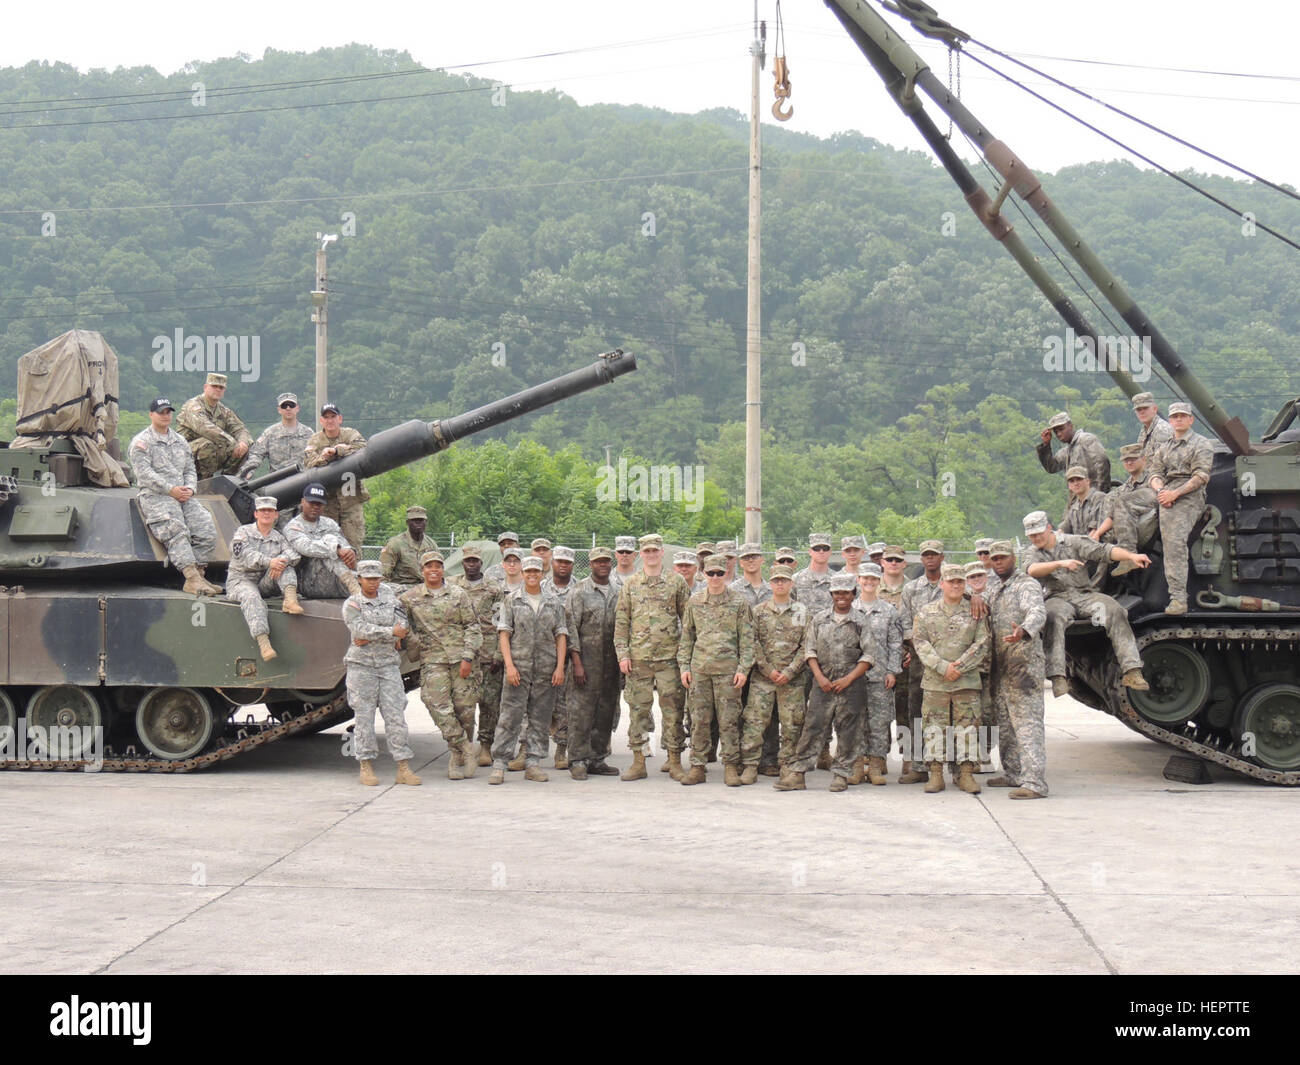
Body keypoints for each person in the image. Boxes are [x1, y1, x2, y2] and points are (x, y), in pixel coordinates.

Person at [1021, 510, 1152, 697]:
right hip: (1057, 597)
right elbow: (1032, 570)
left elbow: (1104, 551)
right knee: (1053, 616)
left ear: (1049, 529)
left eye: (1038, 533)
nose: (1035, 538)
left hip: (1085, 594)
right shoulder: (1032, 553)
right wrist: (1060, 563)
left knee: (1114, 610)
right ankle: (1057, 675)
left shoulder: (1072, 542)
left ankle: (1132, 669)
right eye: (1031, 535)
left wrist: (1131, 557)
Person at [777, 575, 872, 793]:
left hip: (852, 683)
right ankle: (798, 773)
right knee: (813, 727)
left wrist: (848, 679)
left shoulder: (860, 621)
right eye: (837, 592)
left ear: (853, 594)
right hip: (823, 681)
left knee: (848, 730)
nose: (841, 597)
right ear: (831, 595)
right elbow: (809, 651)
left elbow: (868, 655)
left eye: (846, 592)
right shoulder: (819, 619)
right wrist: (819, 677)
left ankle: (841, 774)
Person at [613, 533, 691, 781]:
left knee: (673, 711)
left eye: (655, 550)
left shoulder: (676, 582)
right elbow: (622, 622)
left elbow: (688, 623)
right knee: (637, 710)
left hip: (669, 658)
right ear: (640, 554)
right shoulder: (632, 584)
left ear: (661, 553)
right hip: (638, 659)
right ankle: (638, 762)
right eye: (646, 551)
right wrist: (623, 654)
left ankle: (675, 761)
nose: (651, 554)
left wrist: (684, 658)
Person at [401, 551, 481, 781]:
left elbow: (472, 627)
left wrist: (467, 657)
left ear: (443, 569)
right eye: (428, 566)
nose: (433, 569)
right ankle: (464, 747)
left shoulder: (458, 594)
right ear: (422, 570)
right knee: (435, 702)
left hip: (460, 659)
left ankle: (456, 758)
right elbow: (400, 621)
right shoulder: (410, 598)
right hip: (432, 658)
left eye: (437, 565)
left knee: (464, 709)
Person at [678, 555, 757, 787]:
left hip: (728, 672)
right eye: (710, 573)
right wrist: (684, 666)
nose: (714, 577)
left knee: (729, 721)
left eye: (719, 573)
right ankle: (697, 766)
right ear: (703, 574)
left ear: (726, 574)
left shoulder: (738, 602)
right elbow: (686, 637)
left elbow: (747, 639)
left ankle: (731, 766)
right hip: (700, 670)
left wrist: (743, 668)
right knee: (699, 720)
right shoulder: (694, 602)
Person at [129, 397, 221, 596]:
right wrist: (171, 489)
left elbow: (190, 469)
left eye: (168, 412)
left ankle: (199, 573)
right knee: (176, 529)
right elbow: (145, 474)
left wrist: (190, 488)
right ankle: (191, 577)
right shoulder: (141, 442)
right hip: (156, 496)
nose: (165, 416)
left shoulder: (180, 441)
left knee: (206, 527)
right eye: (161, 412)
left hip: (183, 495)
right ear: (151, 414)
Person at [490, 556, 568, 785]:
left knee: (540, 718)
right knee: (509, 717)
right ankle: (500, 764)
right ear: (522, 574)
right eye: (528, 571)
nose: (532, 575)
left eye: (536, 571)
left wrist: (560, 667)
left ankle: (533, 763)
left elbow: (560, 635)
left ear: (542, 573)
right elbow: (504, 635)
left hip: (546, 670)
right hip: (519, 670)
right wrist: (510, 666)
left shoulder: (553, 602)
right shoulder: (512, 601)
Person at [912, 565, 990, 794]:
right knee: (934, 727)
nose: (955, 586)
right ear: (942, 584)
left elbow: (982, 642)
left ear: (964, 585)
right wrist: (943, 667)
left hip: (966, 681)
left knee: (968, 727)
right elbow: (920, 642)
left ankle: (965, 773)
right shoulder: (926, 612)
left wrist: (961, 666)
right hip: (936, 682)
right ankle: (936, 773)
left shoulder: (975, 612)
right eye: (951, 581)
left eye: (959, 582)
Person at [345, 559, 419, 787]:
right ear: (359, 579)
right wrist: (389, 633)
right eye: (368, 579)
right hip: (361, 666)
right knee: (364, 718)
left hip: (388, 666)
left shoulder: (390, 600)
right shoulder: (352, 603)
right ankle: (365, 766)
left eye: (376, 578)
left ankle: (403, 767)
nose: (373, 583)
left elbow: (403, 627)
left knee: (396, 716)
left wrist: (374, 636)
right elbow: (358, 629)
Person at [985, 541, 1050, 799]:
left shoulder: (1026, 584)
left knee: (1027, 723)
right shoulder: (994, 588)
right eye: (994, 558)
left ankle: (1034, 782)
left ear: (1014, 558)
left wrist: (1024, 629)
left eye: (1003, 557)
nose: (998, 562)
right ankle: (1013, 773)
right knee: (1005, 723)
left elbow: (1037, 611)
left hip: (1022, 665)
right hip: (1001, 667)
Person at [1147, 402, 1214, 615]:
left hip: (1189, 496)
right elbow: (1154, 474)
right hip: (1165, 492)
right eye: (1174, 416)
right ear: (1170, 420)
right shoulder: (1165, 447)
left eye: (1183, 416)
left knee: (1174, 541)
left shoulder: (1200, 444)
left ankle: (1178, 598)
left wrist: (1174, 494)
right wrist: (1161, 491)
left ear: (1191, 419)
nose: (1178, 419)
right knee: (1125, 505)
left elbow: (1201, 476)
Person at [565, 547, 622, 778]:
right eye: (598, 562)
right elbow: (570, 629)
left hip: (612, 664)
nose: (602, 565)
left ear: (611, 564)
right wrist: (577, 663)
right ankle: (578, 759)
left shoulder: (620, 592)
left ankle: (598, 758)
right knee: (581, 713)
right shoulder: (579, 591)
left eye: (606, 561)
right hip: (586, 663)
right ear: (590, 564)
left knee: (605, 712)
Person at [226, 495, 303, 661]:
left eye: (270, 511)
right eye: (262, 511)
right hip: (241, 580)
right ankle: (263, 642)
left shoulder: (279, 537)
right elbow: (244, 555)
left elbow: (294, 554)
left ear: (276, 515)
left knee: (285, 564)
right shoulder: (243, 533)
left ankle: (290, 600)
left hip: (264, 581)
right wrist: (270, 562)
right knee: (251, 597)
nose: (266, 514)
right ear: (256, 514)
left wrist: (282, 561)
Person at [450, 545, 506, 768]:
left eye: (475, 561)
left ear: (481, 563)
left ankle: (485, 746)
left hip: (487, 652)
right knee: (464, 704)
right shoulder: (453, 586)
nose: (471, 564)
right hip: (463, 654)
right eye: (467, 561)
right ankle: (465, 747)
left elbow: (502, 623)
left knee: (490, 704)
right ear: (462, 563)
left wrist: (499, 654)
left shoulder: (494, 589)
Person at [753, 565, 808, 788]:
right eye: (776, 580)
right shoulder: (758, 611)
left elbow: (807, 645)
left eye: (784, 580)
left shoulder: (802, 612)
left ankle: (788, 766)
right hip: (763, 677)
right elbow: (752, 643)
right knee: (755, 722)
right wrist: (768, 669)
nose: (780, 584)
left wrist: (790, 671)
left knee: (792, 725)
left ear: (791, 583)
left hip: (793, 679)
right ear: (770, 583)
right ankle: (750, 764)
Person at [897, 540, 946, 782]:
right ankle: (918, 765)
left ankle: (958, 766)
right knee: (914, 710)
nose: (930, 559)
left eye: (934, 554)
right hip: (919, 660)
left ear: (942, 557)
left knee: (951, 713)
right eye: (925, 555)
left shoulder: (954, 585)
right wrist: (920, 647)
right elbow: (904, 623)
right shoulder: (912, 589)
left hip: (949, 660)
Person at [852, 563, 902, 786]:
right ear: (859, 580)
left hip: (880, 676)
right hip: (854, 677)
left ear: (879, 581)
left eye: (873, 579)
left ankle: (875, 766)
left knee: (879, 723)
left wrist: (892, 670)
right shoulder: (850, 609)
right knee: (855, 722)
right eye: (865, 579)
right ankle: (856, 767)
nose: (869, 583)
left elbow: (895, 643)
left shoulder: (889, 610)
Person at [304, 402, 368, 550]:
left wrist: (339, 451)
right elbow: (309, 465)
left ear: (340, 418)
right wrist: (325, 457)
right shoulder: (315, 440)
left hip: (351, 498)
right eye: (326, 417)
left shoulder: (350, 434)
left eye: (333, 416)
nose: (330, 420)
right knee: (328, 545)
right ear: (321, 421)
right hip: (327, 501)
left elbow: (364, 450)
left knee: (353, 545)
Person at [283, 482, 362, 599]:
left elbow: (343, 544)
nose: (315, 507)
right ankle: (354, 586)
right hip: (309, 581)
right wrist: (337, 550)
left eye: (319, 504)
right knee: (330, 542)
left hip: (336, 575)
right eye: (312, 503)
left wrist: (350, 553)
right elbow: (306, 547)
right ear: (302, 501)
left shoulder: (329, 523)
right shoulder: (293, 527)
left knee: (370, 583)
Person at [878, 545, 916, 781]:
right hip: (878, 658)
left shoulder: (912, 589)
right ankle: (877, 756)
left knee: (906, 708)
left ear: (904, 564)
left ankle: (908, 756)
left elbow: (919, 620)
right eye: (889, 559)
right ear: (882, 562)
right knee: (879, 709)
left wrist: (912, 649)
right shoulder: (871, 585)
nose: (893, 563)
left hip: (905, 656)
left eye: (898, 560)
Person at [1095, 444, 1159, 574]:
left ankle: (1128, 555)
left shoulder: (1152, 480)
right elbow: (1112, 516)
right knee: (1101, 541)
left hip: (1147, 526)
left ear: (1143, 459)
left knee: (1124, 501)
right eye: (1126, 460)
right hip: (1127, 528)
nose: (1129, 462)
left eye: (1133, 459)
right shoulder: (1124, 488)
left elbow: (1157, 496)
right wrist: (1097, 533)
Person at [175, 372, 251, 479]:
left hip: (210, 454)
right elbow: (206, 429)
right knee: (209, 443)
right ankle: (204, 483)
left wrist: (242, 442)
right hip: (184, 454)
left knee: (243, 447)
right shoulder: (193, 406)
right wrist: (232, 442)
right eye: (214, 386)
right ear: (205, 387)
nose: (218, 389)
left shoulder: (224, 411)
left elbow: (240, 429)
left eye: (221, 387)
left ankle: (228, 481)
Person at [543, 545, 577, 769]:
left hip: (569, 657)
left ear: (572, 565)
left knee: (565, 705)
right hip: (541, 654)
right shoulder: (540, 586)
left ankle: (562, 750)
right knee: (537, 704)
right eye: (559, 561)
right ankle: (529, 750)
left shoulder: (580, 589)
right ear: (552, 562)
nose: (562, 565)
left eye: (567, 562)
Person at [963, 560, 997, 770]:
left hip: (993, 667)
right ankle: (970, 756)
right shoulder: (961, 600)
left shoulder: (996, 596)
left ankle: (985, 753)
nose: (976, 580)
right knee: (969, 713)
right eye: (972, 577)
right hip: (970, 667)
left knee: (990, 713)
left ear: (986, 576)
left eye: (980, 576)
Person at [237, 392, 313, 479]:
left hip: (302, 480)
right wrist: (248, 471)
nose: (288, 408)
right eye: (284, 406)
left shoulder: (308, 433)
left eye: (291, 405)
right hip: (277, 483)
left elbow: (317, 455)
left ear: (297, 408)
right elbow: (256, 454)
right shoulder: (270, 433)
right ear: (279, 410)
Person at [1037, 411, 1111, 493]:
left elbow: (1102, 461)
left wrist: (1101, 492)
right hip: (1078, 499)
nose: (1059, 434)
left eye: (1061, 429)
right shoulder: (1065, 452)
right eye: (1056, 432)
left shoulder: (1086, 439)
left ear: (1071, 426)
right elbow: (1051, 467)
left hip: (1093, 495)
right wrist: (1046, 445)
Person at [380, 506, 438, 593]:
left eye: (421, 520)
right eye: (415, 520)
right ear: (407, 522)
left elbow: (438, 571)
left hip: (426, 591)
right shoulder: (395, 544)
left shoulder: (431, 545)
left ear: (426, 522)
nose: (418, 523)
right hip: (401, 590)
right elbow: (382, 576)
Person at [1059, 466, 1106, 539]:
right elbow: (1063, 529)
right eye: (1072, 481)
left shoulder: (1099, 498)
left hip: (1099, 546)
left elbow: (1095, 529)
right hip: (1081, 546)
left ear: (1088, 481)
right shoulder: (1074, 508)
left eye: (1079, 479)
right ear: (1069, 486)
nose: (1076, 483)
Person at [1132, 391, 1174, 459]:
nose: (1142, 412)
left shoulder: (1162, 430)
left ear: (1155, 409)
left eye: (1145, 408)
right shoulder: (1145, 431)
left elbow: (1164, 462)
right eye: (1138, 409)